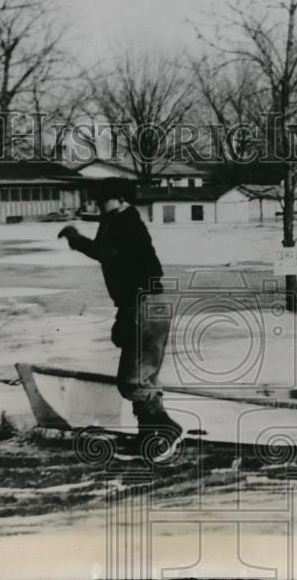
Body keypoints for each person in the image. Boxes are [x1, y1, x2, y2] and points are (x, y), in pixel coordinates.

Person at [57, 179, 182, 459]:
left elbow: (108, 254)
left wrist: (75, 239)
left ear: (121, 200)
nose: (98, 204)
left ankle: (165, 429)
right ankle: (152, 439)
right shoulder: (121, 221)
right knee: (144, 378)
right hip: (148, 303)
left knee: (133, 381)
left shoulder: (125, 223)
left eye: (104, 200)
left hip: (143, 304)